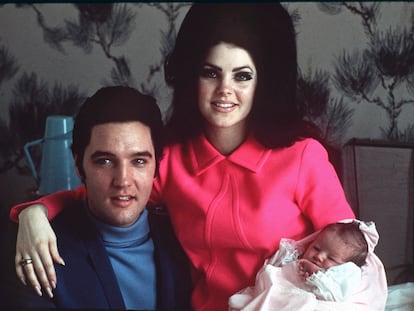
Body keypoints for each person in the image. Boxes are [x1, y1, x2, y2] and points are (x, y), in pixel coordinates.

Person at [9, 3, 387, 310]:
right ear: (193, 77)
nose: (225, 90)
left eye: (242, 76)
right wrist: (34, 213)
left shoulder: (303, 158)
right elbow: (104, 192)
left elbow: (352, 255)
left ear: (263, 82)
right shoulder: (171, 159)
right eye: (211, 73)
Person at [3, 86, 191, 310]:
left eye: (139, 161)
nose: (123, 180)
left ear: (157, 166)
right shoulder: (37, 249)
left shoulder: (183, 237)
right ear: (79, 166)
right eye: (105, 161)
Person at [228, 219, 380, 310]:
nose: (319, 256)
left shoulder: (345, 276)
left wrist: (316, 275)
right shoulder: (297, 257)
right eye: (316, 248)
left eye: (331, 258)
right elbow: (279, 271)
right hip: (279, 292)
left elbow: (334, 295)